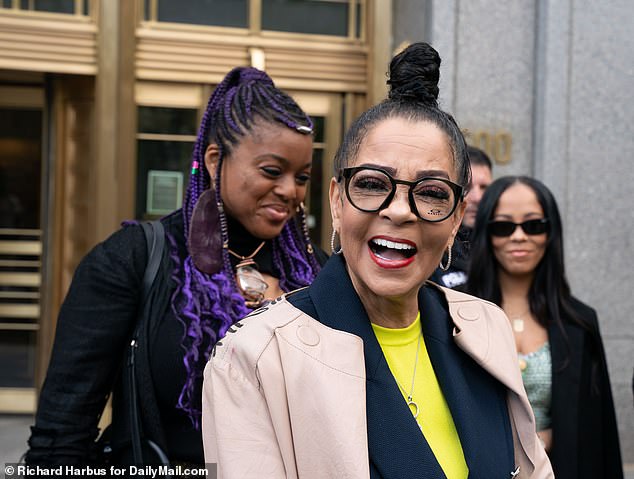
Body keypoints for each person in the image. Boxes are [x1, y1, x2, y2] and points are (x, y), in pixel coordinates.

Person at [202, 43, 553, 478]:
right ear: (335, 201)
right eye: (371, 183)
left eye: (430, 192)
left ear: (456, 218)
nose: (400, 210)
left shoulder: (485, 328)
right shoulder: (253, 356)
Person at [25, 66, 327, 466]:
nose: (290, 190)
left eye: (302, 176)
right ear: (216, 161)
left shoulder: (317, 272)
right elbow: (61, 433)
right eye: (272, 171)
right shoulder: (133, 259)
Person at [464, 176, 623, 479]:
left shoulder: (580, 322)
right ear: (486, 234)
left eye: (534, 225)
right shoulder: (455, 316)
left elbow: (599, 434)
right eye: (504, 226)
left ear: (550, 233)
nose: (519, 237)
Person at [430, 145, 492, 288]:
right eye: (467, 188)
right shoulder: (432, 248)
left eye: (484, 187)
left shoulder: (502, 243)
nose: (477, 198)